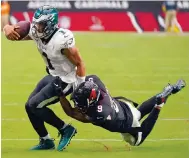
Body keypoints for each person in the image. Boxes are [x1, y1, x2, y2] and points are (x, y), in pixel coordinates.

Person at [3, 5, 86, 151]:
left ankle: (65, 129)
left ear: (50, 25)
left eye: (40, 24)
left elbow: (80, 63)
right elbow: (13, 33)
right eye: (36, 23)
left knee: (34, 105)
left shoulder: (62, 40)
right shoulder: (38, 32)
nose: (36, 27)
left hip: (66, 80)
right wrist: (7, 28)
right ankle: (46, 140)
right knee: (29, 106)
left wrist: (80, 88)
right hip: (53, 75)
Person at [58, 75, 186, 146]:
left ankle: (159, 104)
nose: (77, 104)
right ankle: (166, 94)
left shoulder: (99, 113)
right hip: (123, 107)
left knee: (138, 140)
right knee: (138, 113)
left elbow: (72, 113)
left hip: (126, 121)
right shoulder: (94, 82)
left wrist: (59, 93)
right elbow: (81, 79)